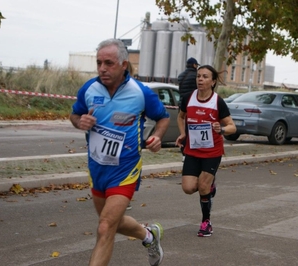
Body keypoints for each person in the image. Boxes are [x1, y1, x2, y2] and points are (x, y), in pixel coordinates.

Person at [70, 38, 170, 266]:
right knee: (113, 223)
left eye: (109, 63)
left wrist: (157, 137)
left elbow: (163, 117)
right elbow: (74, 115)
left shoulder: (140, 93)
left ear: (124, 64)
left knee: (105, 226)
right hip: (97, 169)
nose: (102, 68)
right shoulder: (89, 89)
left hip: (125, 170)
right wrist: (80, 122)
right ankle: (149, 235)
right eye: (99, 63)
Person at [175, 65, 237, 237]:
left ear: (213, 81)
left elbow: (232, 127)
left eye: (204, 77)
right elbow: (180, 116)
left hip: (212, 151)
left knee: (202, 186)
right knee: (188, 188)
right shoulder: (189, 98)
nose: (200, 79)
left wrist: (221, 129)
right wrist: (183, 133)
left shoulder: (217, 101)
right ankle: (210, 186)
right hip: (193, 150)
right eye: (198, 76)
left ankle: (206, 222)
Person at [177, 57, 200, 161]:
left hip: (182, 104)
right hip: (193, 105)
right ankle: (193, 150)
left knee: (184, 129)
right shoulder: (196, 76)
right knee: (194, 129)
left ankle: (184, 152)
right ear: (194, 65)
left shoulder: (181, 76)